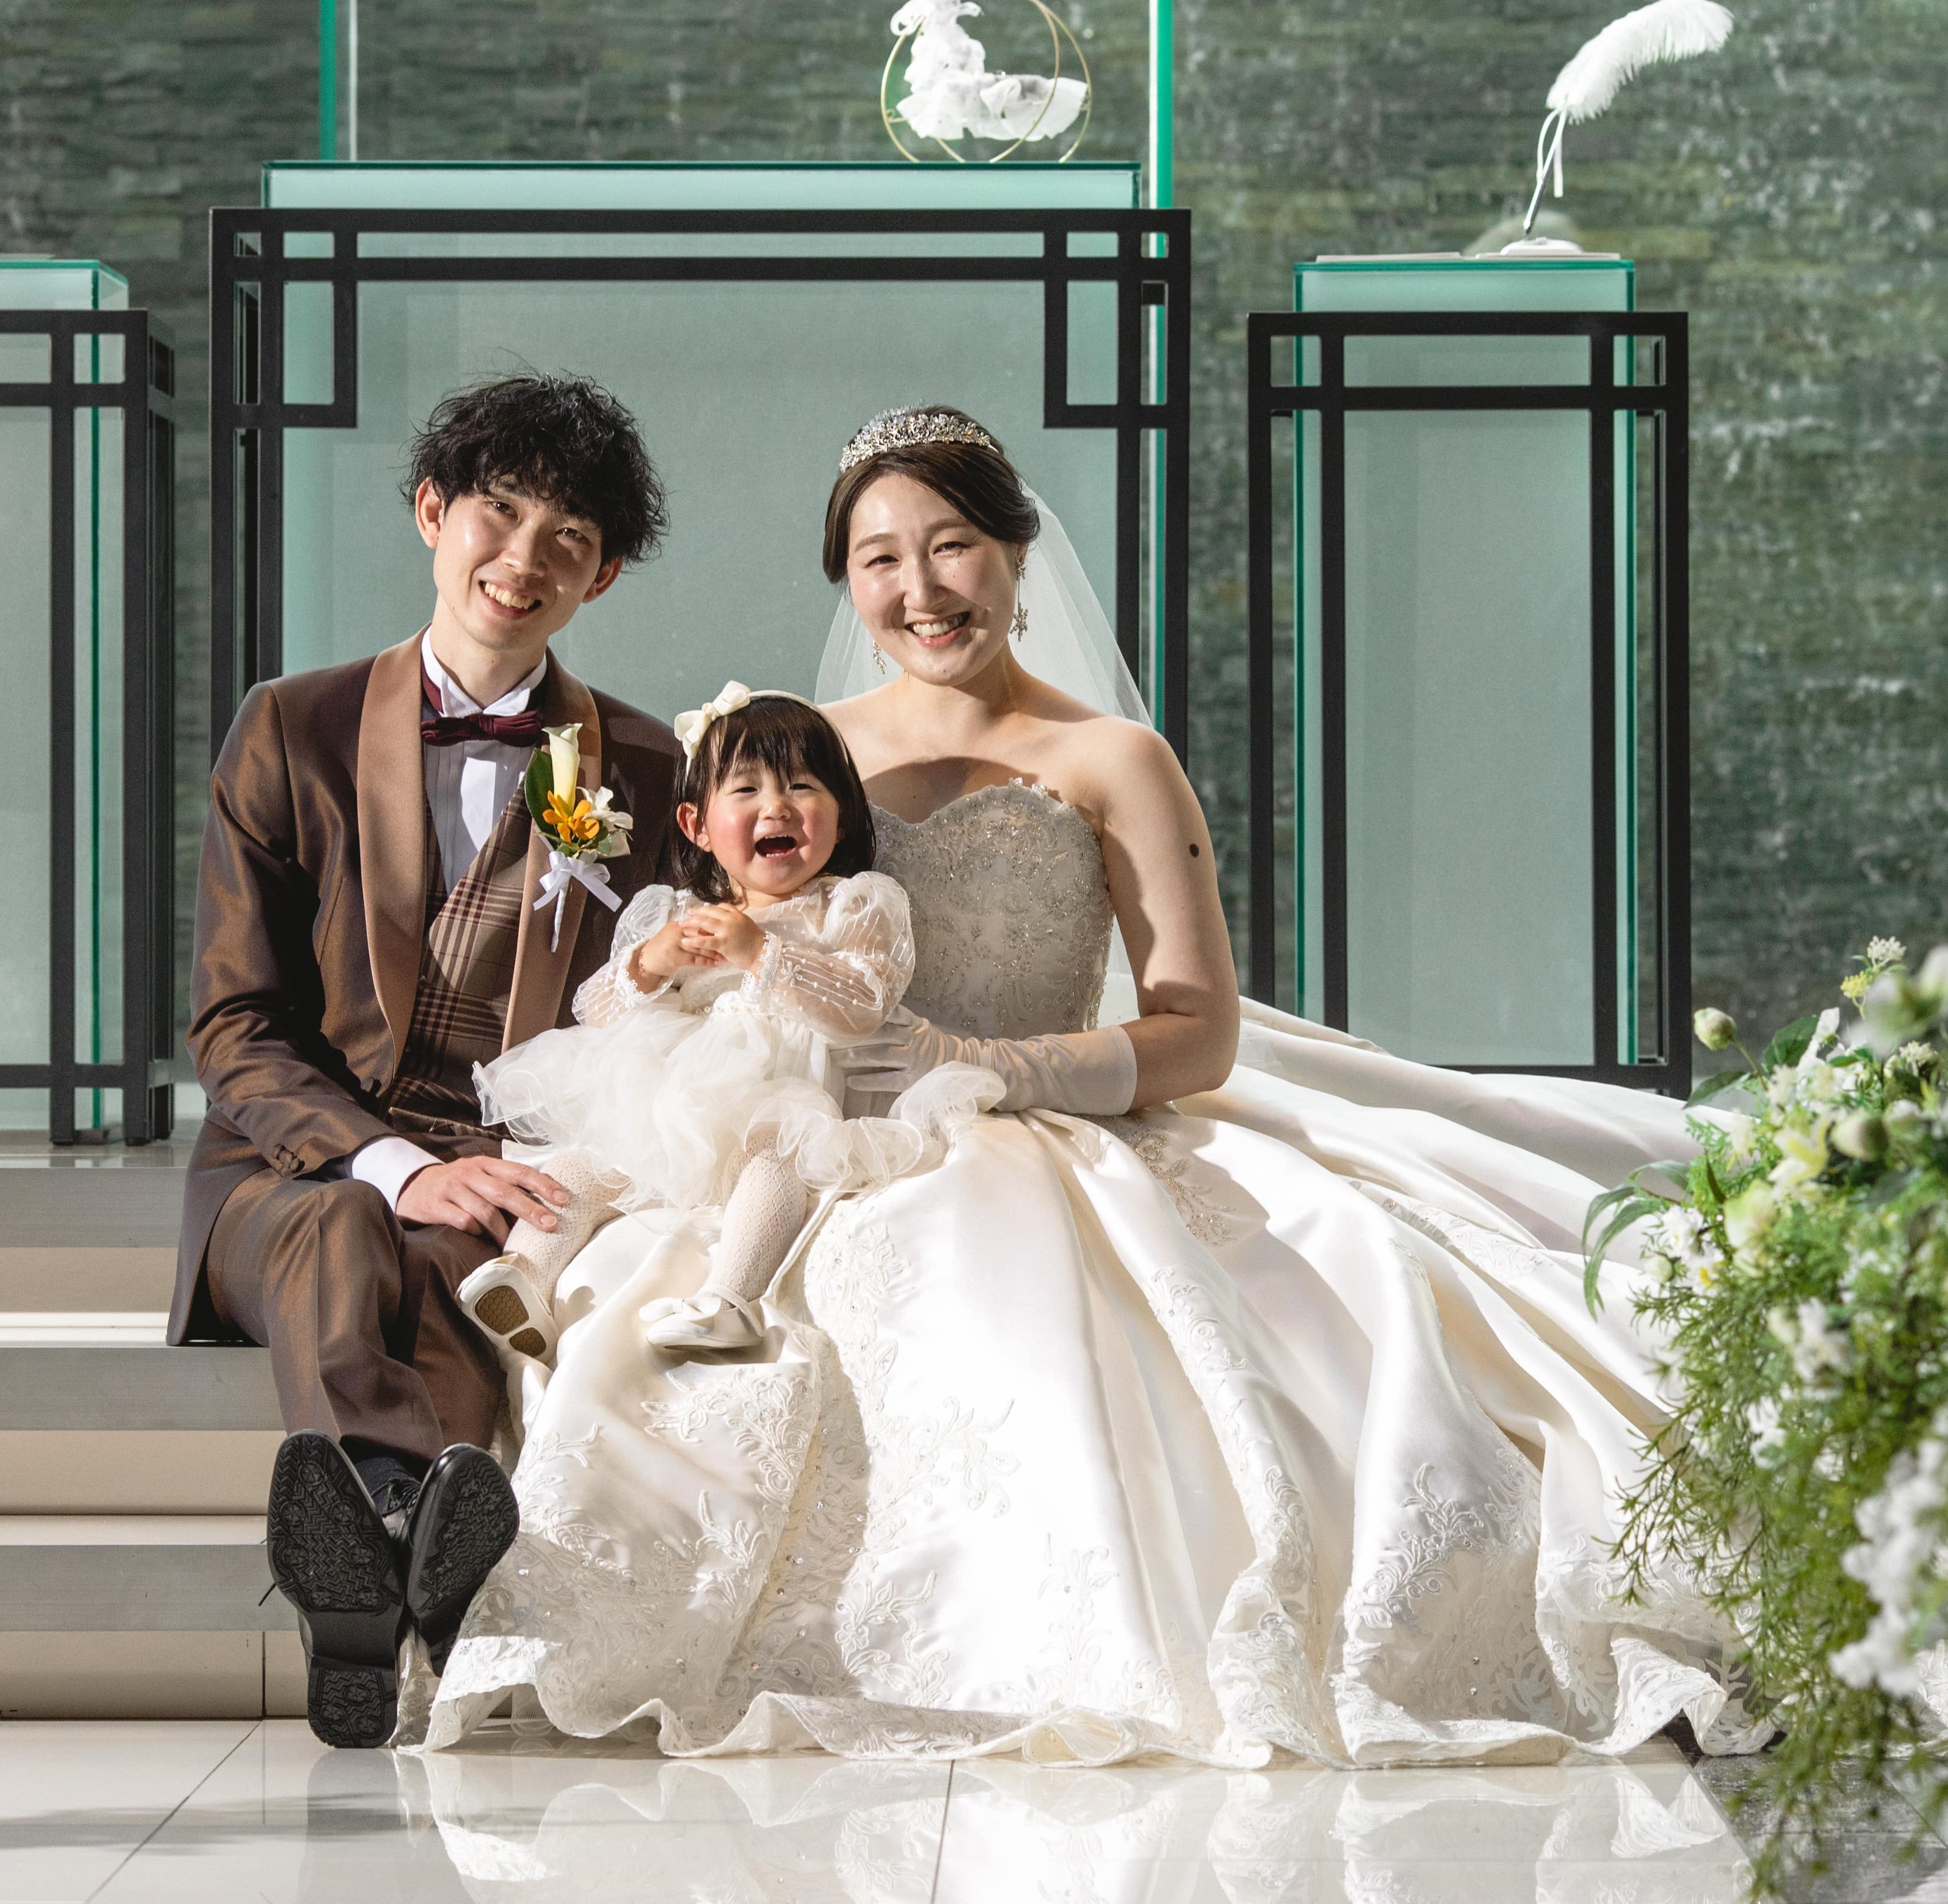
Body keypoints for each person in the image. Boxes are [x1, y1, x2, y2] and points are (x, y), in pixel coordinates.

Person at [423, 406, 1760, 1769]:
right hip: (813, 1111)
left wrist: (987, 1068)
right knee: (640, 1285)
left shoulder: (1115, 758)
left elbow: (1196, 1029)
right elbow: (708, 937)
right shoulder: (799, 754)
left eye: (952, 545)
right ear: (845, 583)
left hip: (1041, 1111)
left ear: (1017, 552)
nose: (919, 588)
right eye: (879, 559)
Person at [171, 374, 681, 1748]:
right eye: (496, 513)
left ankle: (366, 1572)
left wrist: (522, 1168)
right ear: (430, 513)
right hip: (294, 1165)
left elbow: (656, 1005)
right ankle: (414, 1525)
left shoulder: (639, 763)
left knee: (466, 1262)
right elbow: (236, 1026)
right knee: (351, 1229)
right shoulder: (293, 727)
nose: (522, 557)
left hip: (517, 1158)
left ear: (601, 575)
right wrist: (398, 1163)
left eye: (568, 536)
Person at [456, 687, 966, 1368]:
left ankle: (731, 1299)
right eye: (747, 789)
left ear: (843, 816)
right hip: (677, 1105)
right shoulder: (677, 910)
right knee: (582, 1166)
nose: (776, 807)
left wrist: (762, 953)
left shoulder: (850, 904)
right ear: (696, 825)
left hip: (792, 1098)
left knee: (776, 1154)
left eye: (802, 787)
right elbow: (592, 1013)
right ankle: (522, 1278)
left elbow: (863, 1004)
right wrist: (652, 962)